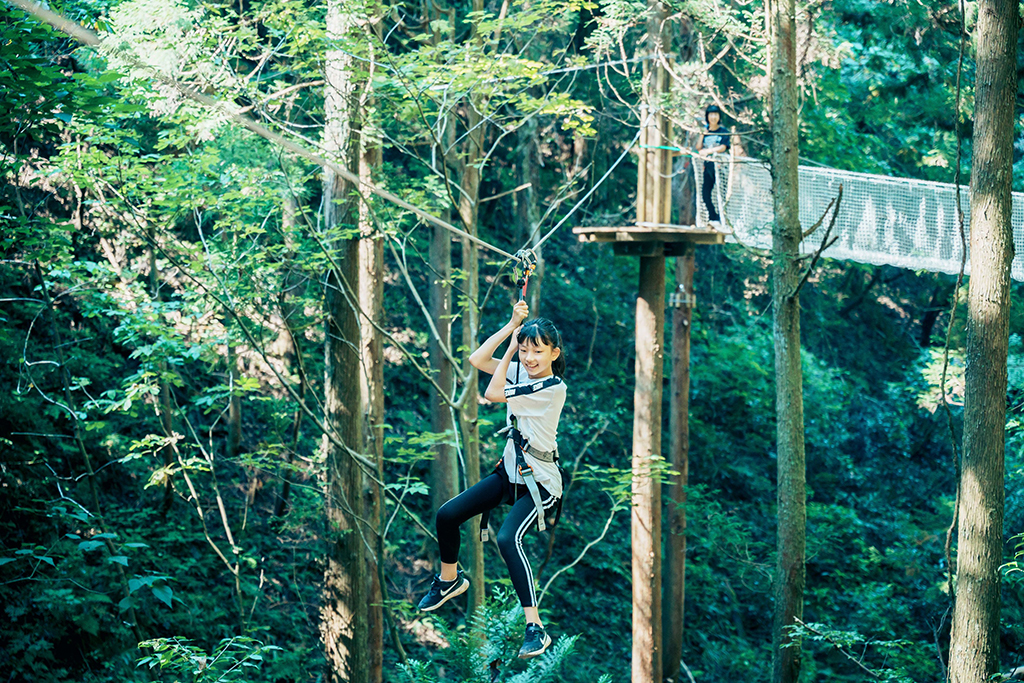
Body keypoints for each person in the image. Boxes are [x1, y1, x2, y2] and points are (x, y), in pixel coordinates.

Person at [416, 299, 567, 660]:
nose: (529, 359)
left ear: (553, 353)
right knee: (447, 515)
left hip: (541, 482)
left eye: (537, 352)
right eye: (526, 351)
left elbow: (491, 393)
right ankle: (450, 580)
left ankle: (536, 627)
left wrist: (515, 347)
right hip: (510, 472)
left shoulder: (551, 388)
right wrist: (510, 326)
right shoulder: (522, 374)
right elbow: (478, 360)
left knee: (507, 537)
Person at [696, 104, 731, 228]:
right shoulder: (705, 132)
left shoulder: (723, 132)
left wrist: (708, 151)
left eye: (715, 114)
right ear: (707, 116)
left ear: (719, 116)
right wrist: (702, 133)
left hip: (721, 167)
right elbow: (698, 148)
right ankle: (713, 217)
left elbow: (723, 147)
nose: (713, 117)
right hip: (708, 167)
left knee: (721, 194)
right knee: (705, 193)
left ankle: (724, 219)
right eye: (711, 114)